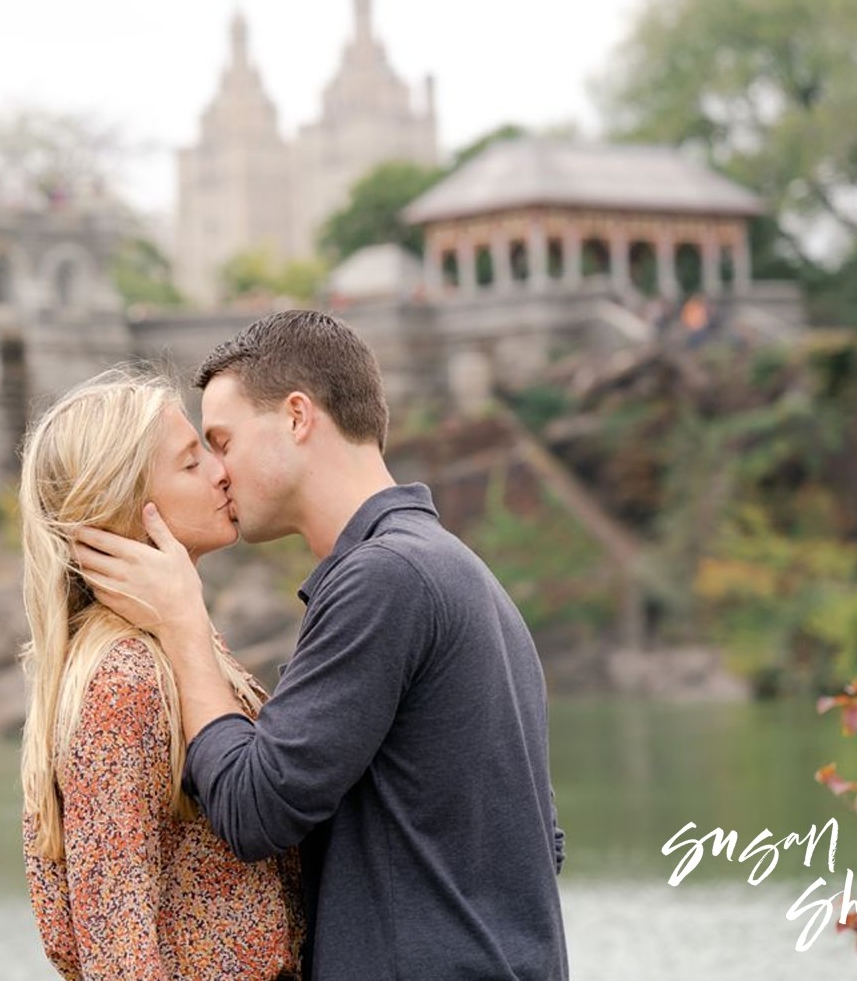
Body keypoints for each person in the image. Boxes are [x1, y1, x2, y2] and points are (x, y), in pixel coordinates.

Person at [74, 311, 569, 980]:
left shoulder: (383, 578)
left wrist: (183, 624)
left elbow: (254, 811)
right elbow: (540, 843)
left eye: (222, 440)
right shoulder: (457, 573)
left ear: (298, 417)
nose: (219, 472)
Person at [18, 370, 303, 981]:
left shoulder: (177, 646)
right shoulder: (124, 679)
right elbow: (117, 949)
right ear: (126, 504)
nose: (221, 471)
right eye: (190, 462)